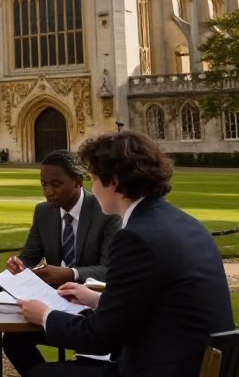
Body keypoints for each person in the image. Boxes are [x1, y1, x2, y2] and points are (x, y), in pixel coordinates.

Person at [19, 131, 234, 377]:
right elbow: (157, 301)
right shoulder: (185, 222)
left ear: (114, 182)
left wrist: (45, 315)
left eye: (94, 179)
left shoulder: (135, 237)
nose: (92, 188)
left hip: (165, 366)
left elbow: (99, 337)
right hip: (198, 361)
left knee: (41, 374)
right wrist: (97, 300)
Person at [0, 149, 121, 377]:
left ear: (78, 181)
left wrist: (69, 273)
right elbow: (29, 256)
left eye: (56, 184)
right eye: (44, 184)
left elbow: (108, 270)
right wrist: (17, 265)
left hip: (93, 312)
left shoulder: (106, 213)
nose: (48, 192)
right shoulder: (43, 212)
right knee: (13, 340)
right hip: (55, 304)